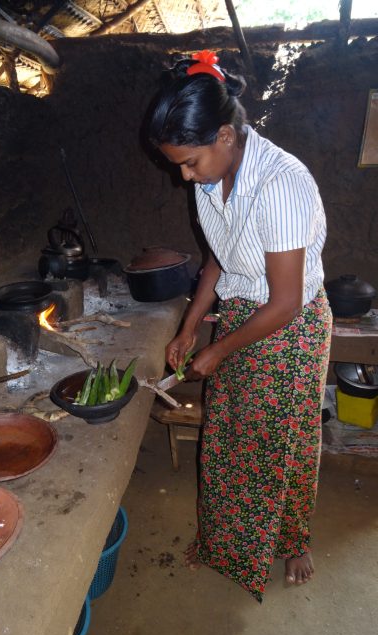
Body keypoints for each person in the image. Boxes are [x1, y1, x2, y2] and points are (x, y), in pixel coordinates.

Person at [145, 50, 332, 602]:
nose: (184, 174)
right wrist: (188, 329)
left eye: (189, 161)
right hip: (244, 318)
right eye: (178, 164)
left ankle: (294, 540)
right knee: (226, 440)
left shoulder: (281, 184)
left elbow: (287, 299)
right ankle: (226, 543)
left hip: (290, 327)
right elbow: (218, 259)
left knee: (284, 442)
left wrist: (217, 350)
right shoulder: (210, 181)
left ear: (226, 135)